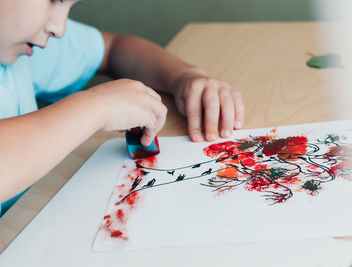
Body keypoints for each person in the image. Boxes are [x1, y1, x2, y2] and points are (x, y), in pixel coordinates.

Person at [0, 0, 244, 216]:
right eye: (54, 0)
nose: (59, 28)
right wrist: (97, 105)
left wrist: (185, 77)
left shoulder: (19, 43)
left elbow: (112, 48)